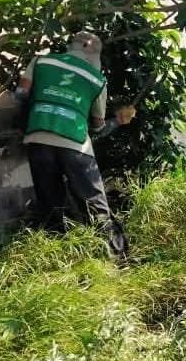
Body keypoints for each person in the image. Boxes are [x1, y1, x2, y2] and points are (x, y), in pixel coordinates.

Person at [14, 32, 136, 261]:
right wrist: (118, 121)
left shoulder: (40, 60)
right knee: (95, 204)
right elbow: (98, 127)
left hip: (37, 139)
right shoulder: (96, 79)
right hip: (75, 145)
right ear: (95, 55)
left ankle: (58, 257)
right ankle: (117, 260)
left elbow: (20, 94)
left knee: (50, 204)